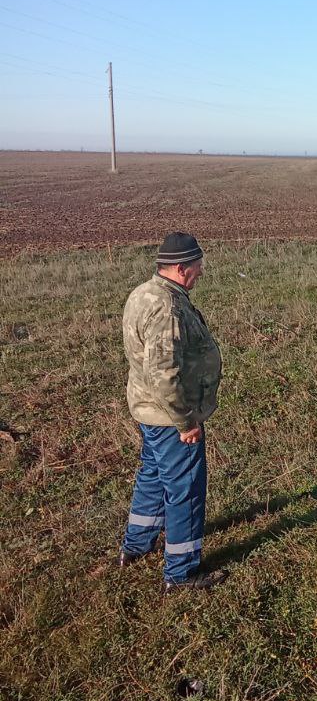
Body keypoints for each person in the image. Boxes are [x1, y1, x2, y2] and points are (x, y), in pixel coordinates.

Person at [119, 232, 226, 593]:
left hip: (148, 411)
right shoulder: (167, 308)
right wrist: (186, 422)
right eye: (197, 267)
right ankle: (181, 573)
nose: (201, 273)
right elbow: (164, 374)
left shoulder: (142, 293)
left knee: (152, 476)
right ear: (181, 269)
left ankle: (136, 545)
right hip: (170, 417)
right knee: (185, 491)